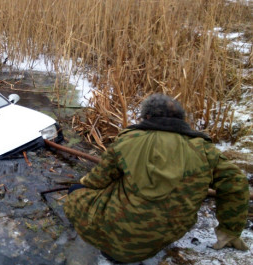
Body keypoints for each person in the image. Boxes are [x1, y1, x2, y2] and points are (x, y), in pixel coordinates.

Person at [63, 94, 250, 263]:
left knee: (75, 193)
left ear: (147, 117)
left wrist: (80, 186)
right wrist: (230, 230)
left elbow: (95, 181)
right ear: (180, 120)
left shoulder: (129, 140)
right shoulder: (205, 149)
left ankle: (106, 244)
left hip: (118, 246)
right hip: (168, 234)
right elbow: (237, 184)